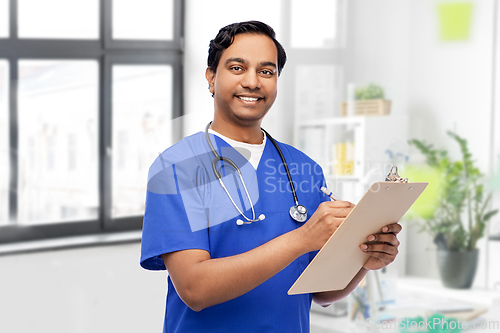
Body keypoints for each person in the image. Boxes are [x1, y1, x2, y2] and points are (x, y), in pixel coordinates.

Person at [140, 20, 402, 333]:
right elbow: (196, 289)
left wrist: (364, 262)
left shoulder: (303, 168)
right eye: (237, 67)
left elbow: (322, 292)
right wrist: (301, 239)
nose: (252, 82)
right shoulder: (176, 167)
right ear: (211, 78)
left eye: (267, 71)